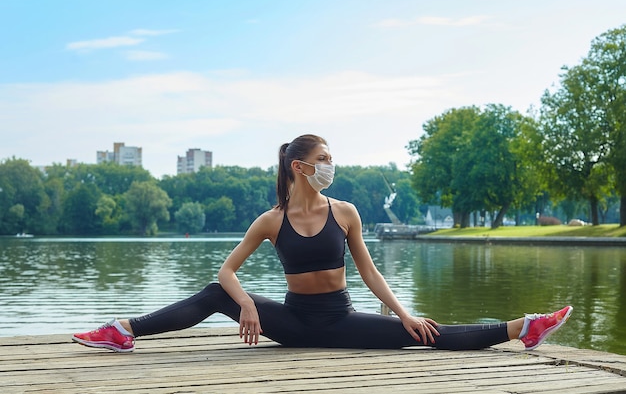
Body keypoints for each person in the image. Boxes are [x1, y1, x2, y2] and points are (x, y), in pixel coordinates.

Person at [72, 134, 573, 353]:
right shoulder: (270, 220)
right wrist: (246, 303)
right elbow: (226, 274)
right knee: (212, 293)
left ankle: (523, 327)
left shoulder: (347, 212)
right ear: (300, 166)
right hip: (291, 323)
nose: (332, 165)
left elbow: (372, 274)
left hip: (340, 318)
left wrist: (403, 313)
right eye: (324, 158)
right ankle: (123, 330)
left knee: (425, 336)